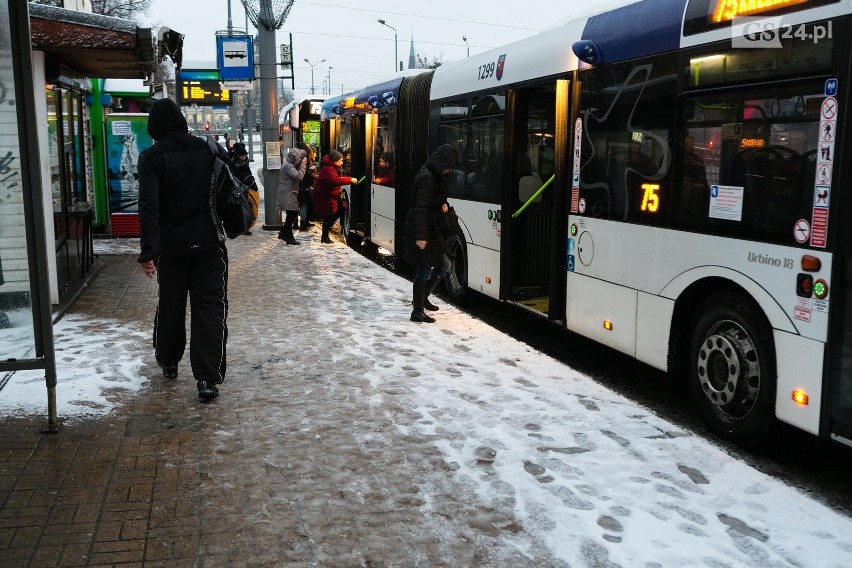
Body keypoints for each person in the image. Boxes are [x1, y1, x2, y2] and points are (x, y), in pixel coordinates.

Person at [137, 98, 228, 401]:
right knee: (210, 310)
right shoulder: (209, 148)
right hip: (210, 247)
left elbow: (149, 207)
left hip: (172, 250)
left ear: (154, 127)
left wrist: (148, 252)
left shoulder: (151, 157)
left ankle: (169, 361)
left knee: (171, 305)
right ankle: (207, 379)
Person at [403, 144, 460, 323]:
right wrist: (421, 236)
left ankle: (422, 298)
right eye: (449, 167)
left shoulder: (434, 175)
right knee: (424, 271)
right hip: (424, 230)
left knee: (444, 266)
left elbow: (430, 203)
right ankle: (417, 310)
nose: (450, 171)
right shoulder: (428, 178)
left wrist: (441, 206)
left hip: (431, 228)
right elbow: (421, 209)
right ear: (442, 163)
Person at [312, 149, 357, 244]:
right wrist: (350, 179)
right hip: (326, 196)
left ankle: (325, 234)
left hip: (328, 195)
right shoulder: (329, 169)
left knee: (334, 212)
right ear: (335, 160)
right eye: (340, 160)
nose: (342, 162)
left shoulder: (330, 167)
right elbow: (334, 181)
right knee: (330, 214)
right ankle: (325, 235)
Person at [276, 144, 307, 245]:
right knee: (292, 214)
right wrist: (303, 165)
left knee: (291, 214)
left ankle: (284, 233)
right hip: (287, 194)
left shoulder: (288, 165)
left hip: (288, 193)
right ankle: (288, 236)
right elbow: (299, 176)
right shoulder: (289, 166)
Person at [226, 142, 259, 236]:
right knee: (241, 208)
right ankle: (242, 227)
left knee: (244, 207)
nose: (244, 158)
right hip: (238, 188)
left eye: (245, 156)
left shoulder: (238, 160)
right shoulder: (234, 161)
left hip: (243, 187)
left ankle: (245, 227)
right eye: (242, 156)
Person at [299, 144, 318, 230]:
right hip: (304, 186)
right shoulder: (306, 161)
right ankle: (303, 223)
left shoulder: (300, 160)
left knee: (302, 204)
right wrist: (316, 176)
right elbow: (306, 174)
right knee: (304, 204)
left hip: (302, 185)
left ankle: (302, 222)